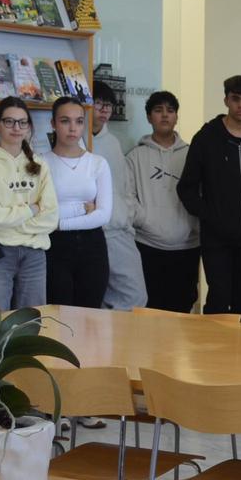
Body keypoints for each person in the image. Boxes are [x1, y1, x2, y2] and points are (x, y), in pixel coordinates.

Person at [177, 75, 241, 323]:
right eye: (235, 99)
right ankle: (211, 360)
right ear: (226, 100)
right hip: (217, 240)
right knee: (219, 301)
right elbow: (186, 188)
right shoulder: (207, 138)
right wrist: (212, 217)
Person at [0, 96, 59, 311]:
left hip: (34, 255)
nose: (16, 128)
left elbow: (51, 219)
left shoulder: (39, 164)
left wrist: (9, 221)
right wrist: (31, 209)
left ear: (29, 126)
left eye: (22, 122)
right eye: (9, 121)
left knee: (32, 322)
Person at [127, 91, 199, 313]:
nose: (165, 115)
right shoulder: (135, 156)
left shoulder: (192, 154)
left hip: (187, 246)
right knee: (151, 309)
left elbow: (203, 195)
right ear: (149, 117)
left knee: (183, 308)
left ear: (177, 116)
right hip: (148, 246)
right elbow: (127, 197)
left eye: (170, 110)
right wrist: (146, 220)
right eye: (158, 110)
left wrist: (193, 226)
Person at [39, 97, 112, 308]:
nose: (73, 128)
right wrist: (83, 209)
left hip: (92, 246)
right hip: (53, 247)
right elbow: (41, 213)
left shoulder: (98, 163)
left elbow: (103, 215)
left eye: (79, 121)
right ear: (53, 124)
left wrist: (59, 222)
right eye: (65, 121)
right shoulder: (40, 162)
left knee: (90, 318)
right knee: (59, 316)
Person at [91, 81, 147, 311]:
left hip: (118, 230)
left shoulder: (113, 142)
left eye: (109, 105)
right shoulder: (77, 141)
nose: (105, 110)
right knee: (96, 298)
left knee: (133, 297)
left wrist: (129, 219)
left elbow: (125, 188)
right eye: (99, 103)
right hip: (89, 232)